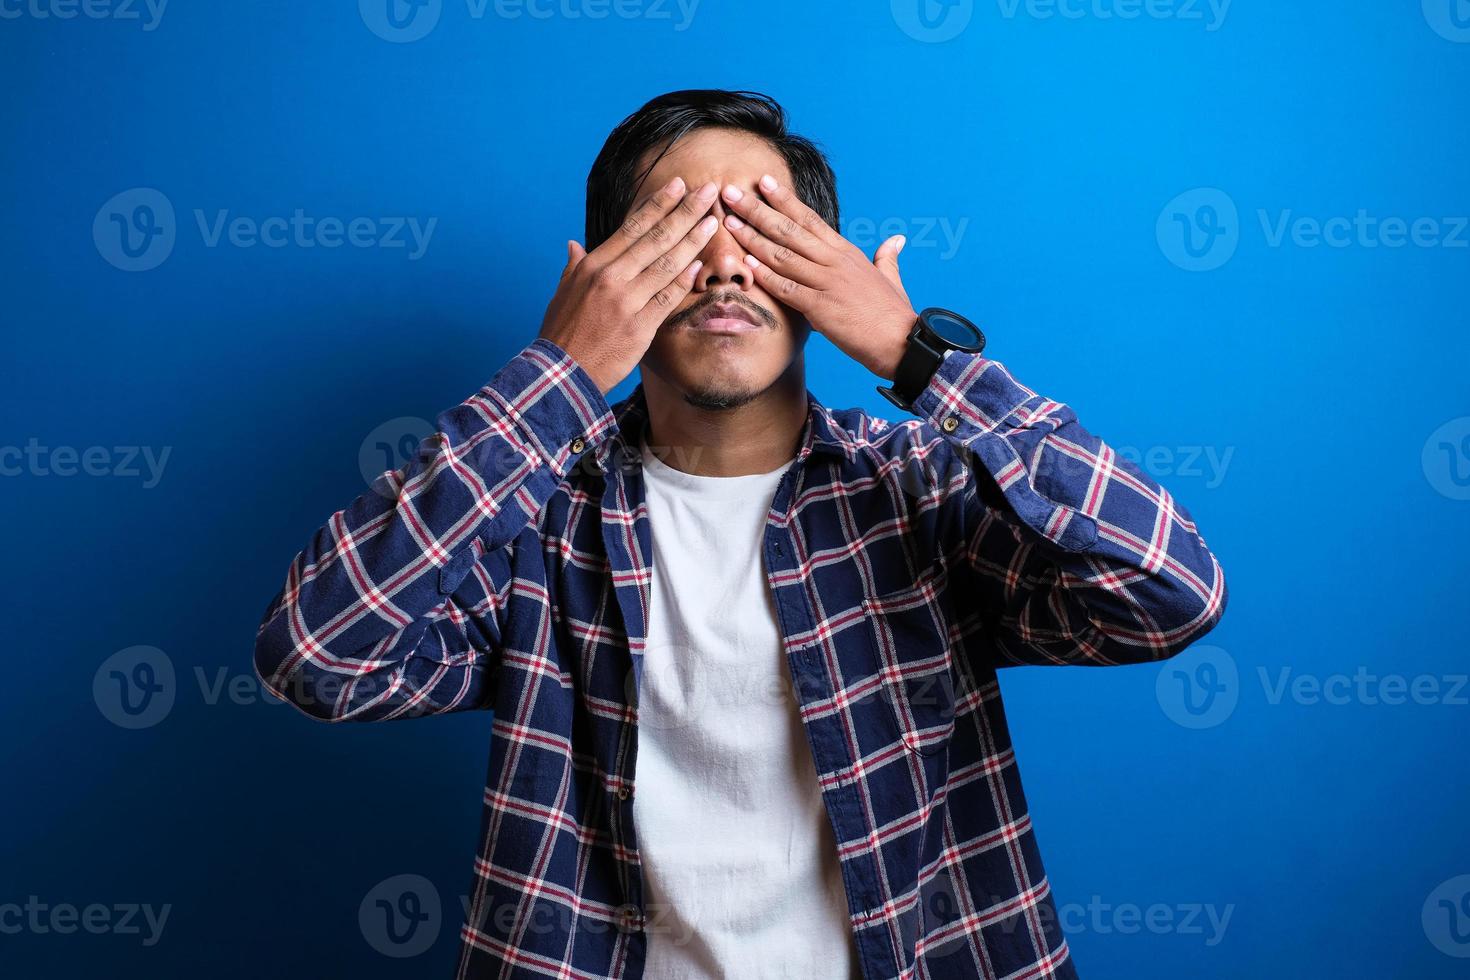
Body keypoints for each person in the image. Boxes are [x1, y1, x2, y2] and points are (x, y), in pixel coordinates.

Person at [253, 89, 1228, 979]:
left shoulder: (917, 493)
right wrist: (552, 380)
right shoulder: (538, 522)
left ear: (823, 270)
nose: (723, 265)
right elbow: (319, 656)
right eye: (682, 230)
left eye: (762, 228)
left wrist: (917, 354)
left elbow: (1172, 590)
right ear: (601, 274)